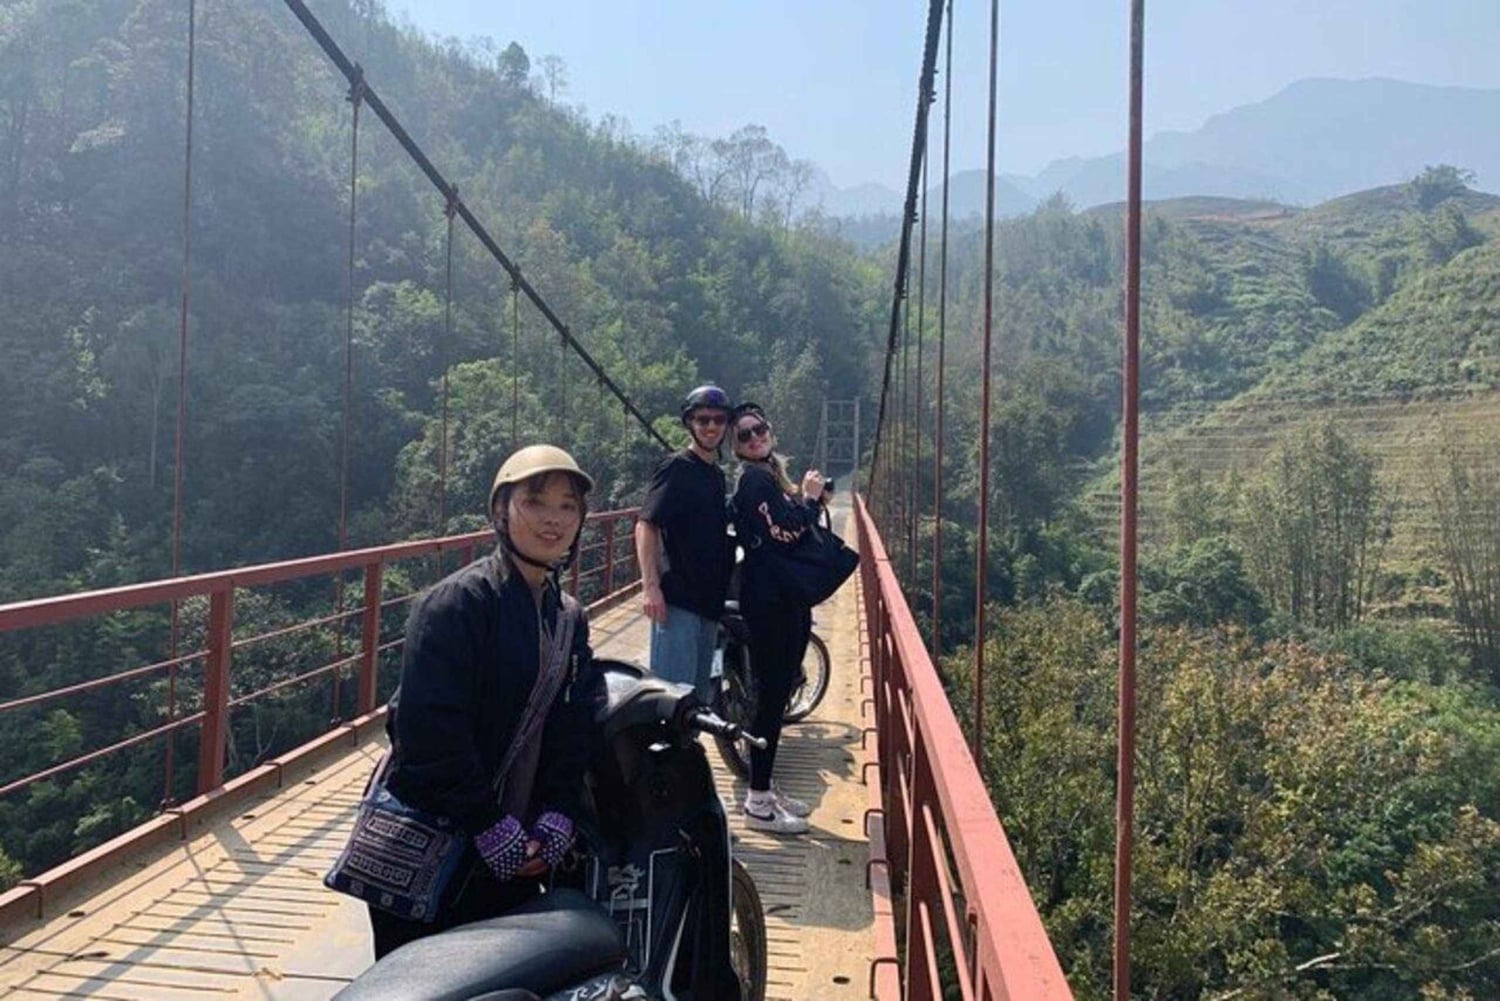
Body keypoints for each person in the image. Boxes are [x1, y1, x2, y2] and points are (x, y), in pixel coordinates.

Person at [369, 444, 601, 958]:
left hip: (515, 852)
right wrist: (489, 826)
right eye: (535, 502)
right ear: (500, 510)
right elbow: (427, 734)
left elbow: (571, 721)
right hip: (439, 848)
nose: (554, 519)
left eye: (568, 506)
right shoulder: (456, 605)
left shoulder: (567, 616)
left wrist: (557, 813)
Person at [728, 403, 822, 835]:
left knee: (777, 695)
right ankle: (758, 802)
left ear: (770, 430)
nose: (754, 437)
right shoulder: (755, 480)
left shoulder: (768, 476)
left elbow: (781, 527)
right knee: (770, 699)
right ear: (736, 446)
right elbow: (784, 532)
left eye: (759, 429)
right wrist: (809, 500)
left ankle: (766, 787)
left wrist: (807, 501)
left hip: (783, 597)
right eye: (744, 435)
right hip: (770, 601)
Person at [634, 384, 736, 702]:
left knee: (698, 703)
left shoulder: (716, 475)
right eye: (703, 419)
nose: (711, 426)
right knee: (672, 702)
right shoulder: (676, 468)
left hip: (709, 604)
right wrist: (651, 587)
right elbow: (646, 524)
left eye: (719, 420)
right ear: (689, 422)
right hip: (678, 602)